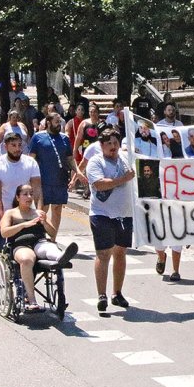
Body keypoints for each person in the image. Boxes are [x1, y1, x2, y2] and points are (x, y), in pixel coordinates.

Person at [0, 184, 77, 313]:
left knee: (48, 248)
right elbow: (4, 232)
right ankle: (32, 300)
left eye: (31, 194)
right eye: (25, 194)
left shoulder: (39, 213)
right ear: (18, 197)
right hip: (21, 245)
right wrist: (24, 225)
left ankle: (61, 257)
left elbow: (52, 233)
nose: (29, 197)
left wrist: (44, 222)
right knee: (27, 259)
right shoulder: (11, 213)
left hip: (39, 242)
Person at [86, 128, 135, 312]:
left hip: (124, 214)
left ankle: (117, 293)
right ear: (102, 145)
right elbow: (99, 184)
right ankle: (102, 294)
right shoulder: (96, 162)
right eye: (109, 144)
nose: (113, 147)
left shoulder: (124, 158)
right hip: (102, 213)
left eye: (115, 143)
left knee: (120, 252)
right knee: (104, 254)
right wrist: (123, 179)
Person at [28, 112, 86, 235]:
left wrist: (79, 173)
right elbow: (31, 159)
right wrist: (29, 178)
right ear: (48, 123)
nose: (59, 124)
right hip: (43, 180)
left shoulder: (64, 138)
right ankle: (40, 236)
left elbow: (70, 159)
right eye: (56, 122)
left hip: (60, 179)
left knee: (57, 208)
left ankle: (53, 238)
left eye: (60, 122)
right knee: (42, 209)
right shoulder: (38, 137)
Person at [0, 132, 42, 250]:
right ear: (5, 146)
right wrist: (2, 217)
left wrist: (38, 211)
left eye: (19, 145)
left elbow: (37, 189)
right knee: (4, 251)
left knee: (29, 248)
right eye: (13, 145)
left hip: (27, 214)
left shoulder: (31, 163)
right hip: (5, 213)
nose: (17, 149)